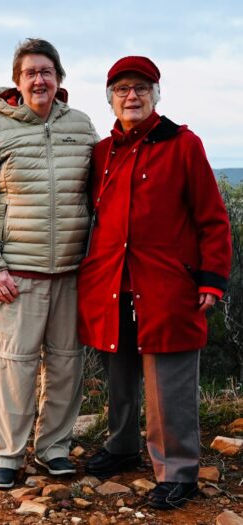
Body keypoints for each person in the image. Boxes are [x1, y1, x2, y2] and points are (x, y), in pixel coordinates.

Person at [77, 56, 232, 509]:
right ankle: (123, 447)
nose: (132, 96)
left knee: (169, 382)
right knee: (120, 375)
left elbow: (213, 219)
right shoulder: (103, 152)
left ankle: (178, 470)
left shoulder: (184, 145)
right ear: (111, 100)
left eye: (141, 88)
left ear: (156, 94)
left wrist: (211, 278)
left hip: (167, 286)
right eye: (123, 89)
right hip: (111, 284)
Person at [0, 38, 98, 489]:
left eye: (47, 72)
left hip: (73, 274)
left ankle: (54, 449)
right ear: (17, 82)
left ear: (60, 79)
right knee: (15, 367)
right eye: (30, 73)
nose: (40, 79)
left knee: (67, 366)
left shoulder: (81, 126)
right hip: (15, 275)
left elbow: (99, 194)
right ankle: (6, 454)